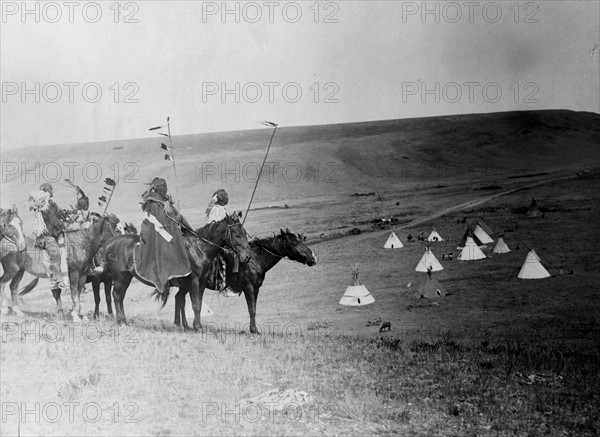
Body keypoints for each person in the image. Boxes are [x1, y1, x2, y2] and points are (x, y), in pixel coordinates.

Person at [135, 177, 191, 294]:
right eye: (163, 187)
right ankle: (165, 277)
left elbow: (174, 214)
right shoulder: (154, 202)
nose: (165, 189)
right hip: (155, 231)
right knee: (168, 247)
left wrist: (179, 221)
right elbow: (159, 219)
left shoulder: (164, 201)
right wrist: (172, 224)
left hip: (164, 229)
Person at [28, 183, 70, 290]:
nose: (53, 192)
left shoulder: (45, 206)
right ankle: (58, 280)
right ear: (49, 192)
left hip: (45, 237)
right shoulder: (47, 206)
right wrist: (64, 224)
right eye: (52, 191)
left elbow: (59, 215)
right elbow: (55, 222)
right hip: (47, 237)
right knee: (55, 254)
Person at [205, 189, 239, 297]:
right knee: (231, 260)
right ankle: (227, 286)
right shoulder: (218, 209)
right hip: (216, 241)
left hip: (215, 239)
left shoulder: (216, 208)